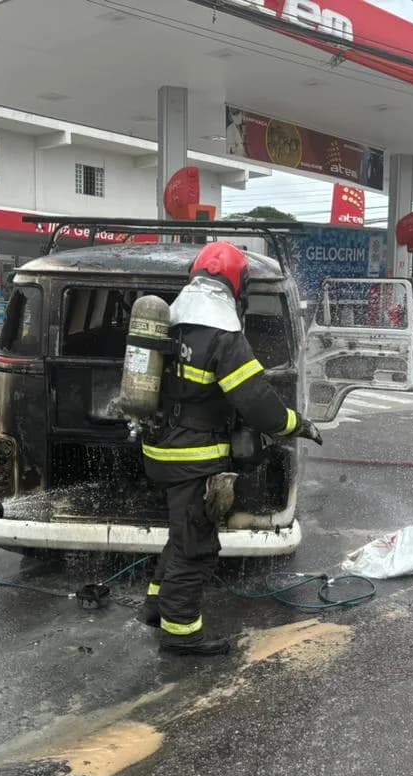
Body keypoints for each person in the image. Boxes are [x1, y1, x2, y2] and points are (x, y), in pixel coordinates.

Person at [139, 242, 324, 655]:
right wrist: (299, 425)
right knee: (197, 546)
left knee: (181, 532)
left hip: (159, 449)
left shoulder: (169, 319)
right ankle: (180, 633)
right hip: (193, 456)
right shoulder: (221, 334)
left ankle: (156, 603)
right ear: (236, 285)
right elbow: (258, 404)